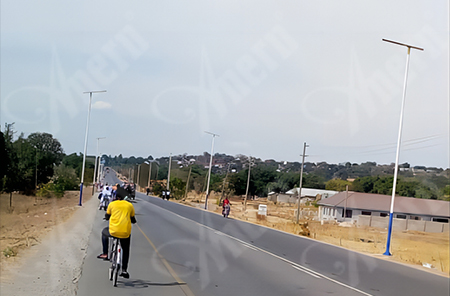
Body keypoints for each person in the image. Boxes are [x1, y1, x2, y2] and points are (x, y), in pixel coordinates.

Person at [97, 183, 136, 279]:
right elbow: (133, 219)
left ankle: (105, 253)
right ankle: (124, 270)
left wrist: (107, 217)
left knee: (104, 233)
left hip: (113, 231)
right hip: (125, 233)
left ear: (115, 196)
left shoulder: (112, 204)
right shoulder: (129, 205)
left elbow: (107, 215)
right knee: (125, 250)